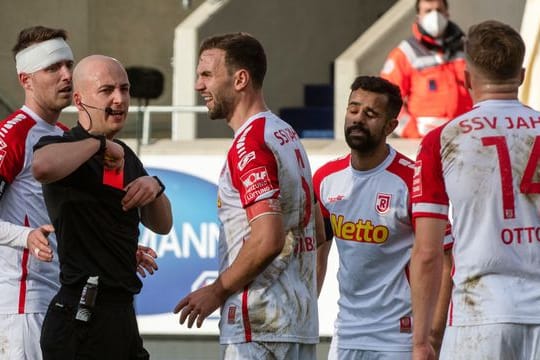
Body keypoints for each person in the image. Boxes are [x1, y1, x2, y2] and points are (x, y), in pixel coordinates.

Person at [173, 32, 319, 359]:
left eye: (207, 74)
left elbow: (268, 238)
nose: (199, 86)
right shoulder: (286, 134)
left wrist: (217, 290)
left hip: (259, 324)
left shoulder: (250, 142)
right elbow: (319, 232)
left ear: (240, 79)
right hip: (296, 323)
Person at [410, 20, 540, 360]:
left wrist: (421, 340)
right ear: (522, 75)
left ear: (467, 78)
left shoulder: (442, 140)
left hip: (480, 314)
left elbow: (427, 253)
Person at [32, 54, 172, 359]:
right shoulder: (63, 145)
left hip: (120, 316)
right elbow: (41, 167)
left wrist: (155, 187)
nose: (119, 99)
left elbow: (163, 225)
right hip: (80, 317)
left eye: (124, 89)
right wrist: (98, 143)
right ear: (80, 100)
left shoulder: (126, 156)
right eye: (107, 90)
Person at [314, 76, 453, 359]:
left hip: (398, 340)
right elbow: (317, 252)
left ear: (391, 126)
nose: (358, 119)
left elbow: (444, 263)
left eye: (371, 114)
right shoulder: (326, 179)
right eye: (353, 109)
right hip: (345, 335)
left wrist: (431, 339)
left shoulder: (412, 179)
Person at [0, 25, 74, 360]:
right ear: (25, 79)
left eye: (69, 65)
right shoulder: (14, 134)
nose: (66, 75)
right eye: (53, 68)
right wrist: (25, 236)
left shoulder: (65, 135)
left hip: (61, 298)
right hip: (21, 305)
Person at [380, 0, 472, 138]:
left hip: (464, 136)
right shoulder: (405, 53)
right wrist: (412, 132)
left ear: (447, 14)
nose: (434, 15)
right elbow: (386, 99)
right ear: (418, 16)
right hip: (423, 140)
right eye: (428, 11)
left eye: (439, 10)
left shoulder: (466, 48)